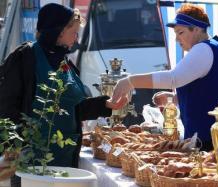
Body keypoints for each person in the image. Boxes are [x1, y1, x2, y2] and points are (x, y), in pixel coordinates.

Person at [0, 3, 127, 186]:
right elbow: (6, 106)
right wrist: (12, 147)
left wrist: (106, 105)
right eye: (74, 32)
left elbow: (72, 108)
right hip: (30, 161)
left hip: (64, 158)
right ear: (58, 31)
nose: (76, 39)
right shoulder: (25, 57)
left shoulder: (65, 62)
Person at [111, 3, 218, 151]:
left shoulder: (204, 48)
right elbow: (207, 90)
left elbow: (173, 78)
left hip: (212, 139)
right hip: (214, 137)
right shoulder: (211, 47)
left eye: (181, 33)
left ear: (196, 29)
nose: (177, 39)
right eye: (176, 34)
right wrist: (175, 98)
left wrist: (130, 81)